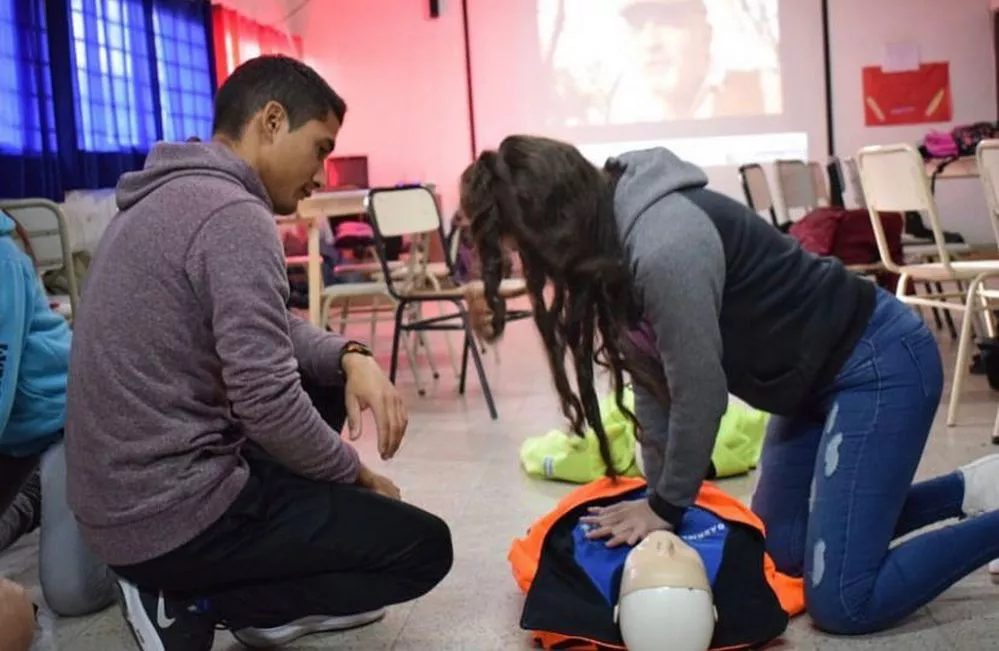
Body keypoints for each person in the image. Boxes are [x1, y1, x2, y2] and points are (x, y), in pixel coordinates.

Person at [459, 135, 999, 636]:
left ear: (558, 219)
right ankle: (968, 492)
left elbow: (698, 392)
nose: (535, 266)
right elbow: (654, 383)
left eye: (529, 250)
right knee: (782, 554)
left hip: (875, 363)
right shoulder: (609, 250)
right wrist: (655, 496)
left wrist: (666, 507)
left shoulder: (665, 243)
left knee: (843, 599)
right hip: (806, 385)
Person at [65, 55, 453, 651]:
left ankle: (225, 582)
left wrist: (352, 354)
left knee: (322, 382)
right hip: (169, 517)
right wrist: (356, 474)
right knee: (423, 548)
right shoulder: (233, 214)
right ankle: (195, 596)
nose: (321, 174)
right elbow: (267, 401)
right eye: (320, 148)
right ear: (272, 121)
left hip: (123, 499)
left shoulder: (167, 196)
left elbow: (269, 330)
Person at [0, 211, 115, 617]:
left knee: (74, 592)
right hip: (16, 439)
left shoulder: (3, 261)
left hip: (69, 423)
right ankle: (35, 495)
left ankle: (147, 529)